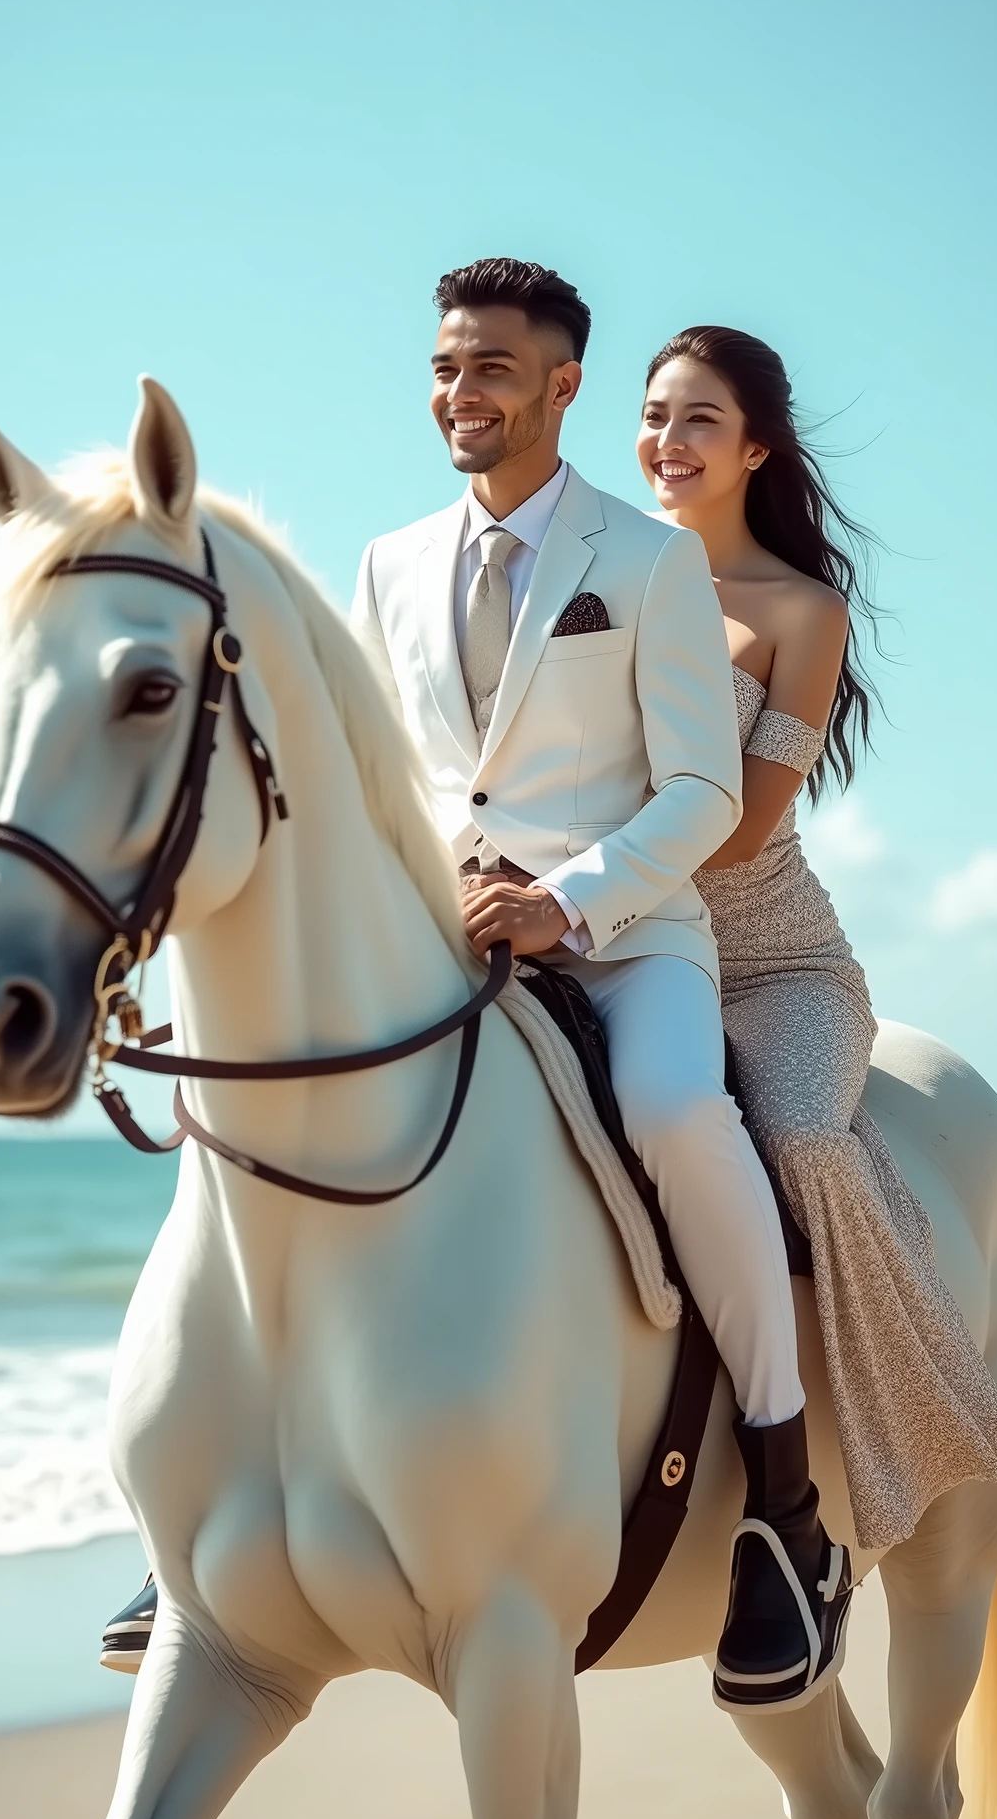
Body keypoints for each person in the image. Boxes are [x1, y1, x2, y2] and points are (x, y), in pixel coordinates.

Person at [351, 259, 850, 1714]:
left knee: (683, 1114)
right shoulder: (383, 566)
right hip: (439, 937)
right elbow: (389, 774)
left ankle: (784, 1506)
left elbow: (703, 793)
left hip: (630, 941)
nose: (463, 392)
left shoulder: (648, 562)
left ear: (560, 384)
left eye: (493, 368)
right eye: (448, 367)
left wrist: (562, 905)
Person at [637, 324, 997, 1549]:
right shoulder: (594, 576)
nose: (667, 440)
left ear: (755, 446)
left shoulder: (800, 609)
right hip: (611, 945)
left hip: (768, 962)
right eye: (653, 414)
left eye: (698, 417)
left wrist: (566, 888)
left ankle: (884, 1431)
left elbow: (746, 825)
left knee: (806, 1138)